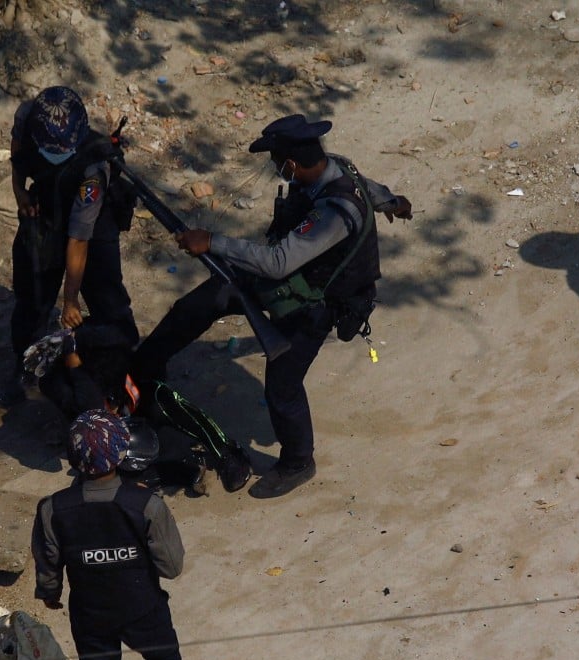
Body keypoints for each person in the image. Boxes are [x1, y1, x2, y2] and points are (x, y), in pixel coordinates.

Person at [131, 114, 413, 499]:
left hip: (318, 303)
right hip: (293, 281)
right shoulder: (338, 167)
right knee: (208, 298)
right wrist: (395, 203)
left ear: (291, 164)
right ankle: (144, 366)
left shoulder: (334, 213)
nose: (275, 169)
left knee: (283, 384)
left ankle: (298, 461)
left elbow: (277, 261)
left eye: (276, 162)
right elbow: (374, 190)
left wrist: (212, 241)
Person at [1, 86, 138, 405]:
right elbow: (18, 153)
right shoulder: (28, 115)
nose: (56, 151)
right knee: (32, 298)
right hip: (45, 211)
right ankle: (27, 366)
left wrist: (71, 300)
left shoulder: (93, 170)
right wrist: (20, 193)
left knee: (109, 302)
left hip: (92, 225)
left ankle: (117, 366)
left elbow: (79, 238)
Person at [32, 410, 184, 660]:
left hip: (90, 614)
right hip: (143, 609)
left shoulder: (53, 509)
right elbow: (171, 567)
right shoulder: (147, 505)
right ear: (121, 453)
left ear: (73, 456)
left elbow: (49, 561)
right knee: (164, 658)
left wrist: (50, 592)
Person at [23, 321, 252, 493]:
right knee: (123, 468)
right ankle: (182, 473)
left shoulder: (113, 364)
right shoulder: (86, 410)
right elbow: (86, 393)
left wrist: (71, 348)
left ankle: (225, 452)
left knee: (164, 400)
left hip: (128, 403)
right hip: (104, 429)